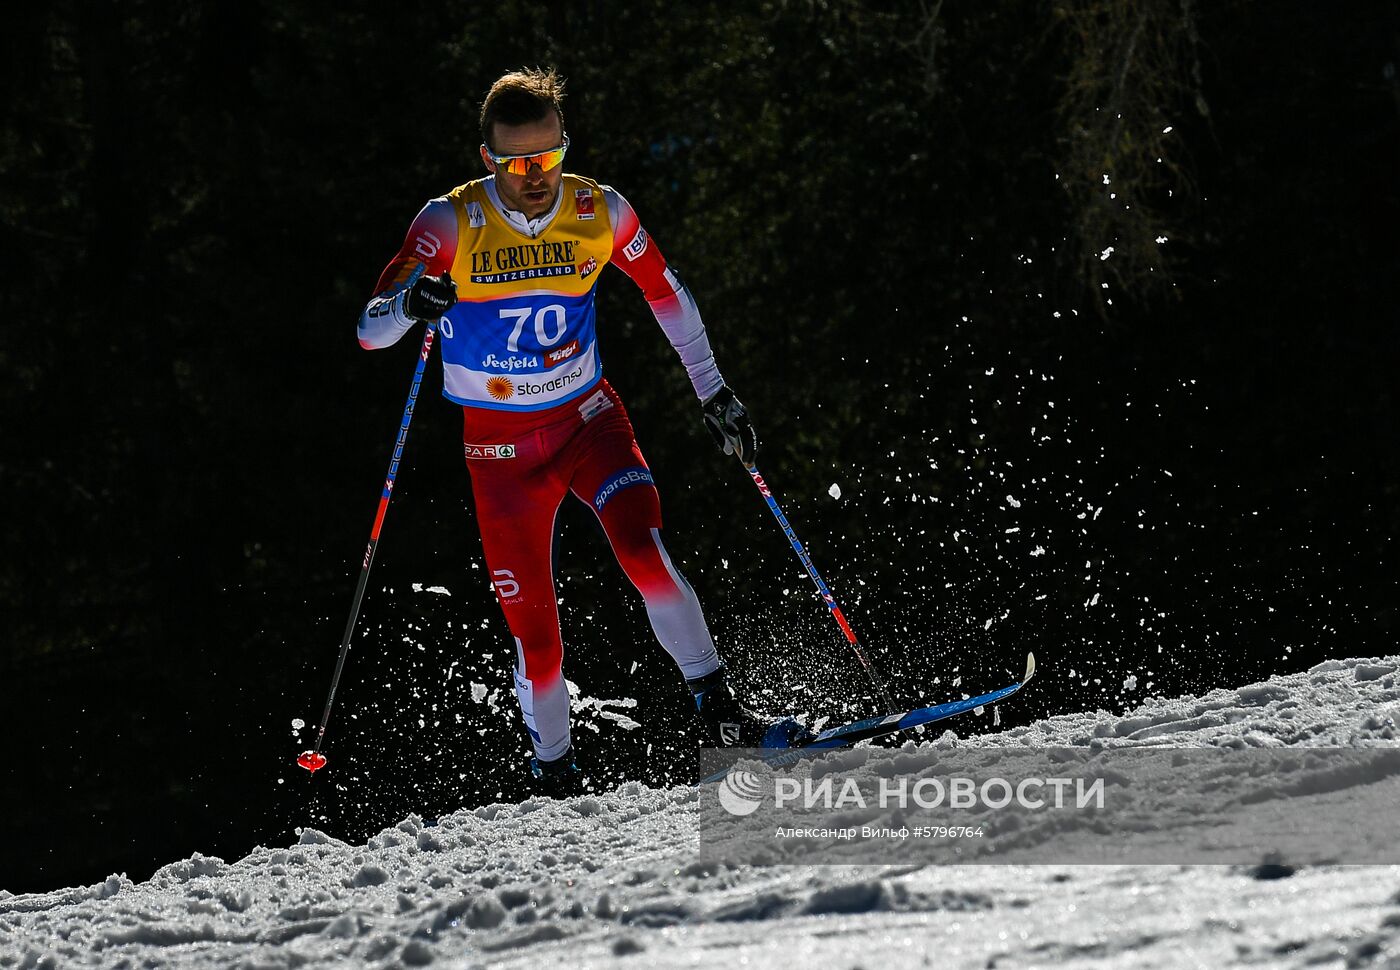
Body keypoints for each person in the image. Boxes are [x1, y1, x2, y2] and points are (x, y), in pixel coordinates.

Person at [357, 68, 805, 793]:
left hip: (589, 422)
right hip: (500, 454)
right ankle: (556, 775)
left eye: (548, 158)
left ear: (565, 145)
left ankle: (719, 715)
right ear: (488, 159)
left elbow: (667, 294)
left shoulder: (600, 211)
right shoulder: (451, 221)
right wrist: (411, 301)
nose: (535, 177)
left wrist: (714, 391)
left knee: (645, 552)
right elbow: (368, 332)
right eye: (516, 164)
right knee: (539, 646)